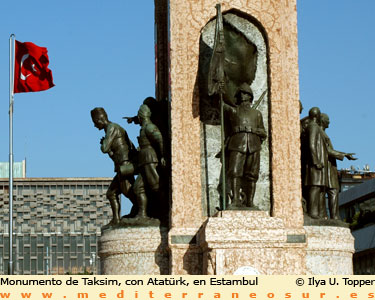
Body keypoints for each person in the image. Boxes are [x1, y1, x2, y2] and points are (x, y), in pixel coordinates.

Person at [90, 107, 137, 227]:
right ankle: (116, 219)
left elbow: (104, 148)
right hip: (121, 165)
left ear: (99, 119)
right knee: (112, 193)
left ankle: (143, 210)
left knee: (128, 192)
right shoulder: (112, 128)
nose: (95, 126)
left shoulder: (112, 128)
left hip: (125, 166)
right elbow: (111, 153)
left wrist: (105, 144)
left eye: (95, 123)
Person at [224, 83, 267, 208]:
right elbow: (220, 103)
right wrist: (221, 90)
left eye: (246, 93)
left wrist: (255, 131)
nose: (243, 95)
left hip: (253, 144)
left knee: (252, 174)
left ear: (250, 97)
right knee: (235, 171)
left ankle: (250, 201)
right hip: (237, 143)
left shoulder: (257, 114)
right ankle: (236, 200)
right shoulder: (233, 110)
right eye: (241, 93)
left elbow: (263, 132)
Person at [132, 104, 166, 218]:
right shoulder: (144, 127)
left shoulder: (149, 127)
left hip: (150, 160)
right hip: (144, 161)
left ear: (141, 116)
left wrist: (162, 156)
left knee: (156, 186)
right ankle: (142, 213)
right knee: (138, 187)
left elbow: (160, 139)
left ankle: (165, 211)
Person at [320, 113, 357, 219]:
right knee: (333, 191)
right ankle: (334, 217)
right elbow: (328, 151)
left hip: (327, 167)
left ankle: (330, 216)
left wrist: (345, 154)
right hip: (327, 167)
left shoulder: (323, 134)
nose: (329, 122)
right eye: (327, 120)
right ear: (323, 121)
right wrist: (344, 155)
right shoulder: (321, 134)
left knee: (330, 192)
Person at [303, 107, 328, 219]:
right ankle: (313, 212)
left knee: (319, 188)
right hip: (315, 163)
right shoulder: (313, 127)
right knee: (314, 187)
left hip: (318, 162)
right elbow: (311, 144)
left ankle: (320, 213)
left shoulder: (315, 127)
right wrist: (316, 161)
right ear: (317, 116)